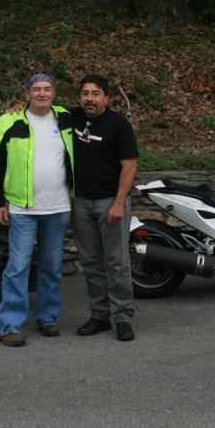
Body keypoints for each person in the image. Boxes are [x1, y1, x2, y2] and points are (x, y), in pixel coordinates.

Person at [0, 73, 75, 347]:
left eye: (47, 89)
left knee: (51, 266)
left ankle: (47, 317)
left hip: (59, 207)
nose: (42, 94)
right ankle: (9, 325)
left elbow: (97, 113)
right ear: (27, 94)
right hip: (22, 209)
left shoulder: (67, 118)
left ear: (54, 93)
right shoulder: (8, 122)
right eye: (36, 89)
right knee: (18, 266)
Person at [71, 74, 138, 341]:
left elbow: (129, 166)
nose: (90, 98)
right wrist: (21, 106)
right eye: (85, 93)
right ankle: (99, 315)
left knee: (117, 263)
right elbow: (40, 106)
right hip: (80, 203)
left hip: (110, 202)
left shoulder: (119, 125)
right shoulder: (71, 117)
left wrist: (119, 202)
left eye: (96, 93)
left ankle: (122, 317)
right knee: (90, 262)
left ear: (107, 98)